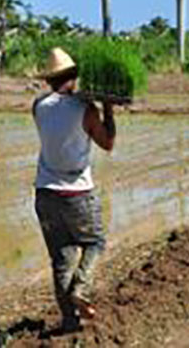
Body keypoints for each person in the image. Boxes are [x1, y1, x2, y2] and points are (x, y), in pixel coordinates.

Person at [32, 47, 116, 331]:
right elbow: (108, 143)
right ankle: (82, 287)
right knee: (95, 243)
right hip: (76, 192)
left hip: (45, 193)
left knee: (61, 258)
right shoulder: (86, 109)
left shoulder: (38, 106)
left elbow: (57, 113)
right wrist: (108, 108)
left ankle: (70, 320)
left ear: (48, 80)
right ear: (75, 76)